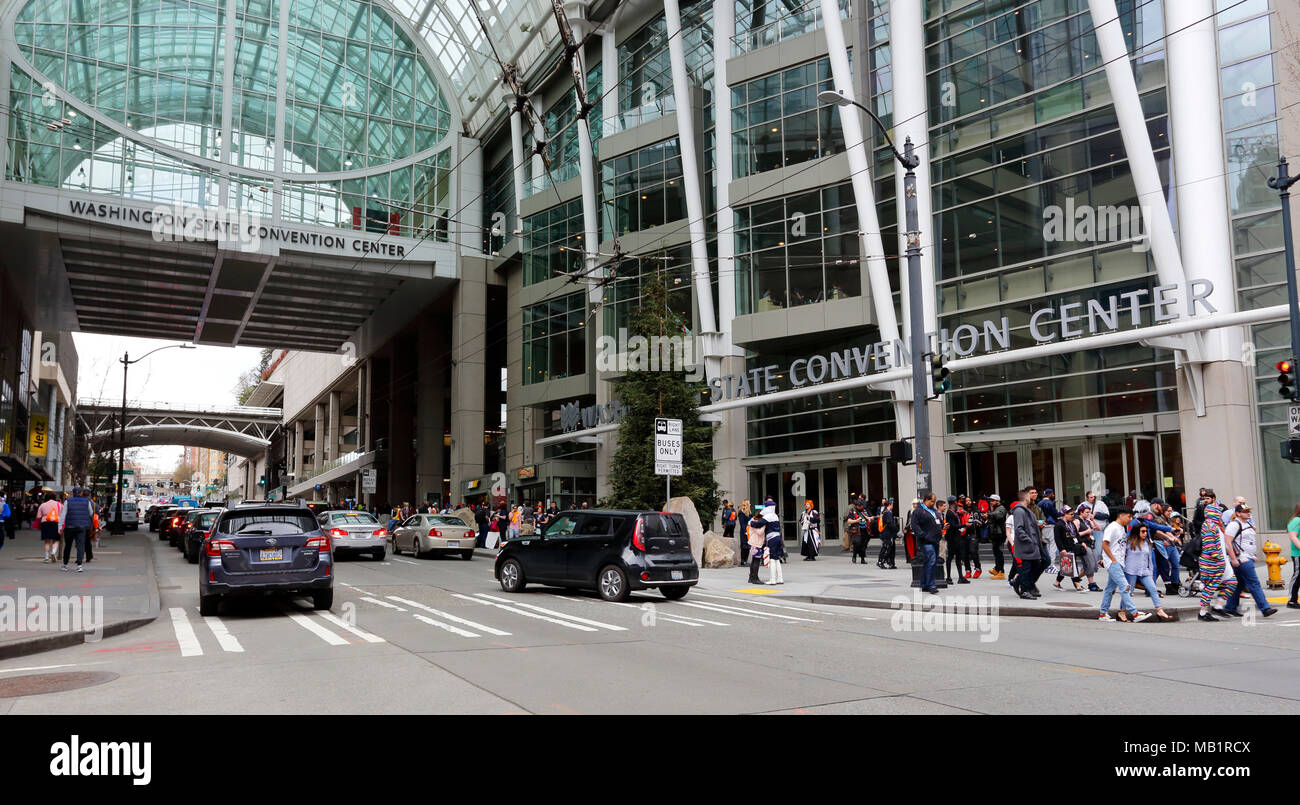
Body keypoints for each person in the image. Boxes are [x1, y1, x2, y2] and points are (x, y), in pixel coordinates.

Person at [1221, 503, 1277, 618]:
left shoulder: (1247, 524)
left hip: (1247, 557)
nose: (1248, 513)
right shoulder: (1234, 525)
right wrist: (1233, 558)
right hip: (1241, 558)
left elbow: (1249, 541)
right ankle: (1265, 608)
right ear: (1238, 513)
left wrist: (1253, 555)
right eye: (1245, 511)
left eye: (1248, 511)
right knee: (1254, 583)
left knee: (1239, 584)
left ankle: (1230, 607)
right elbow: (1228, 542)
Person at [1098, 507, 1146, 622]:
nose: (1130, 519)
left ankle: (1103, 614)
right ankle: (1135, 613)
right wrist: (1113, 560)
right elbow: (1104, 544)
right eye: (1129, 516)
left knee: (1110, 589)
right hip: (1114, 563)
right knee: (1125, 587)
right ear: (1121, 515)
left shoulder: (1122, 528)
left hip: (1119, 563)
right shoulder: (1112, 527)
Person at [1196, 499, 1237, 621]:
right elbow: (1209, 546)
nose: (1220, 514)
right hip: (1213, 562)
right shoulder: (1209, 525)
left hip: (1221, 561)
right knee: (1210, 587)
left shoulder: (1216, 525)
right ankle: (1203, 613)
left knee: (1232, 582)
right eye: (1218, 512)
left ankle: (1218, 607)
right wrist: (1218, 559)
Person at [1124, 522, 1174, 620]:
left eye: (1146, 531)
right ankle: (1122, 611)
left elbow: (1150, 559)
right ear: (1137, 532)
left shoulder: (1147, 542)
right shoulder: (1129, 542)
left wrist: (1151, 572)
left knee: (1153, 589)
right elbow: (1122, 555)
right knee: (1128, 592)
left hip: (1144, 570)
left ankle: (1160, 610)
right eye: (1143, 531)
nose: (1145, 533)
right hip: (1131, 570)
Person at [1010, 486, 1043, 599]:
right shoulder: (1019, 511)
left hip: (1031, 546)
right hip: (1026, 547)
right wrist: (1029, 540)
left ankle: (1026, 587)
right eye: (1030, 495)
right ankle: (1024, 591)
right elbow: (1019, 529)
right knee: (1025, 569)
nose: (1033, 497)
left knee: (1034, 566)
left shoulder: (1026, 510)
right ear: (1026, 497)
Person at [58, 486, 95, 572]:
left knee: (68, 546)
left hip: (69, 526)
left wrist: (60, 526)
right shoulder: (87, 502)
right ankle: (79, 565)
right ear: (81, 493)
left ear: (73, 493)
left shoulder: (67, 501)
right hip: (82, 527)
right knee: (80, 546)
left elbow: (63, 515)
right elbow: (91, 513)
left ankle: (65, 564)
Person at [1052, 505, 1088, 592]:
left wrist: (1082, 542)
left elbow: (1076, 534)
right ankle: (1078, 586)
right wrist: (1061, 549)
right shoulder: (1059, 525)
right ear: (1064, 514)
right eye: (1071, 514)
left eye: (1073, 514)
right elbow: (1057, 539)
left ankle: (1057, 583)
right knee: (1073, 566)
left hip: (1072, 546)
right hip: (1065, 548)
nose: (1072, 516)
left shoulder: (1071, 523)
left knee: (1066, 567)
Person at [912, 493, 942, 594]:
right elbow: (914, 525)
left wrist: (943, 526)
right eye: (932, 501)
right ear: (926, 500)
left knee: (928, 562)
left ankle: (924, 584)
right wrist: (923, 535)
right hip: (925, 541)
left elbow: (938, 522)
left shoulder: (933, 511)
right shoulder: (918, 511)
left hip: (935, 540)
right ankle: (931, 585)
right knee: (932, 560)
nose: (933, 503)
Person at [1074, 503, 1101, 591]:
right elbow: (1075, 534)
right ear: (1081, 512)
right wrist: (1087, 531)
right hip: (1083, 544)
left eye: (1089, 512)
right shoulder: (1077, 521)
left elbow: (1099, 528)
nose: (1088, 514)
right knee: (1090, 565)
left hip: (1091, 544)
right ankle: (1091, 584)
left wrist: (1093, 520)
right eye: (1086, 512)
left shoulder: (1087, 520)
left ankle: (1076, 579)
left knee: (1094, 566)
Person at [944, 496, 969, 584]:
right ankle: (948, 577)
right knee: (950, 557)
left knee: (958, 557)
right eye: (955, 501)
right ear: (953, 502)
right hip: (952, 538)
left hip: (956, 537)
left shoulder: (953, 512)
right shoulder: (950, 513)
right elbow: (952, 526)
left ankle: (961, 577)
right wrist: (964, 525)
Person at [36, 492, 62, 563]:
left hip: (45, 522)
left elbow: (38, 516)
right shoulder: (59, 504)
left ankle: (46, 558)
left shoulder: (43, 505)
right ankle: (53, 552)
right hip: (56, 522)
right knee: (56, 540)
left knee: (47, 541)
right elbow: (62, 514)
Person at [762, 505, 785, 585]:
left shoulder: (767, 516)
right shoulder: (775, 515)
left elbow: (758, 524)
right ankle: (780, 578)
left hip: (772, 538)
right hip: (778, 537)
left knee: (772, 558)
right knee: (776, 559)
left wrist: (752, 522)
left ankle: (773, 579)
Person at [986, 494, 1008, 579]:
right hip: (995, 534)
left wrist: (989, 514)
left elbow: (998, 515)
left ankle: (1001, 572)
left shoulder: (1001, 508)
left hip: (1000, 534)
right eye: (990, 500)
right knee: (996, 552)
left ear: (998, 501)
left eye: (992, 500)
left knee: (999, 553)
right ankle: (997, 568)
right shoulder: (995, 508)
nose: (991, 502)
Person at [963, 495, 983, 579]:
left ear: (972, 501)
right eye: (966, 501)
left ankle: (978, 568)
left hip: (973, 534)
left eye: (969, 501)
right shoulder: (962, 511)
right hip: (963, 534)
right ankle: (968, 571)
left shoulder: (976, 511)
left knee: (973, 551)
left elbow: (981, 522)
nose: (968, 502)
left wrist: (976, 523)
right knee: (964, 554)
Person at [746, 510, 766, 584]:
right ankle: (755, 578)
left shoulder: (753, 521)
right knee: (756, 561)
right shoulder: (754, 522)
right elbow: (760, 532)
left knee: (754, 560)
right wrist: (764, 525)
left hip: (754, 543)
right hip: (756, 543)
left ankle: (751, 577)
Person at [877, 499, 899, 569]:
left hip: (888, 534)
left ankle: (891, 563)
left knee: (891, 548)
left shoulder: (886, 512)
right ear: (890, 505)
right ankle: (881, 562)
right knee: (887, 548)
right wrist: (897, 530)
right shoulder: (888, 513)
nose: (893, 506)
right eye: (892, 505)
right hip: (888, 534)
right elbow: (890, 523)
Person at [1287, 503, 1300, 610]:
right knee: (1297, 576)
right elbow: (1293, 537)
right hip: (1298, 554)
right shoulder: (1296, 520)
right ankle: (1292, 600)